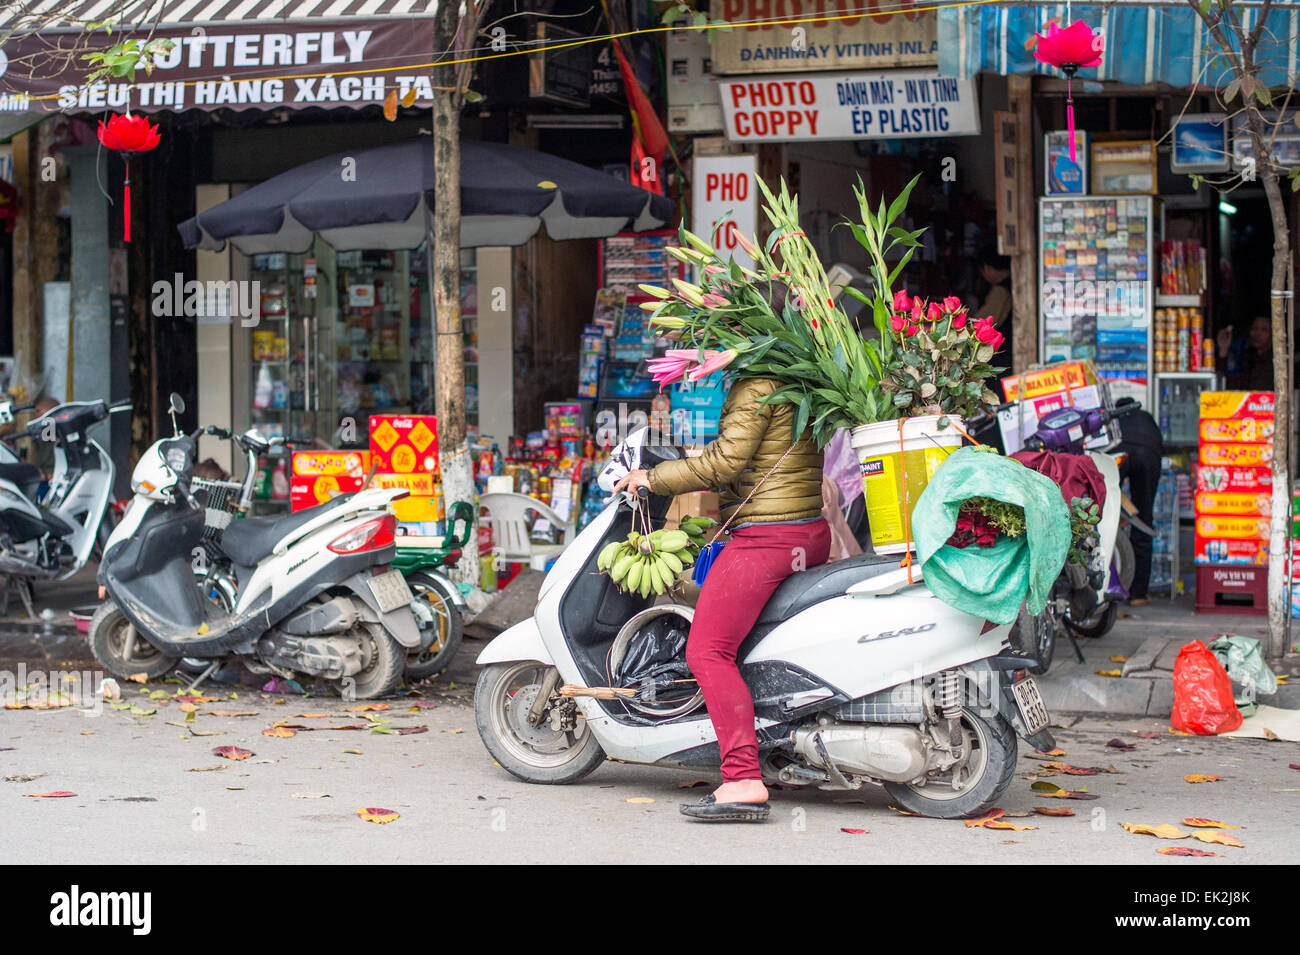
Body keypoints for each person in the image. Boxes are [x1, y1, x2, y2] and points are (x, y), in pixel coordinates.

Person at [613, 377, 828, 823]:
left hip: (766, 537)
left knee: (707, 650)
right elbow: (747, 454)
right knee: (752, 646)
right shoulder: (798, 377)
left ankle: (743, 777)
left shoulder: (757, 385)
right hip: (805, 530)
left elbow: (726, 464)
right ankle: (779, 752)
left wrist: (651, 479)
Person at [1116, 409, 1163, 606]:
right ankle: (1138, 593)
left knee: (1103, 516)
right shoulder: (1147, 418)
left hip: (1120, 452)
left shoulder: (1116, 417)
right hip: (1149, 455)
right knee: (1143, 519)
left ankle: (1110, 589)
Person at [973, 247, 1014, 379]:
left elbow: (984, 321)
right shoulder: (1013, 283)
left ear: (987, 268)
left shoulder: (1000, 291)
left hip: (1004, 354)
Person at [1216, 315, 1273, 391]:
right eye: (1254, 328)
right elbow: (1232, 386)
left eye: (1264, 330)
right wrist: (1223, 350)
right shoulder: (1248, 358)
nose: (1257, 334)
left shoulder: (1275, 362)